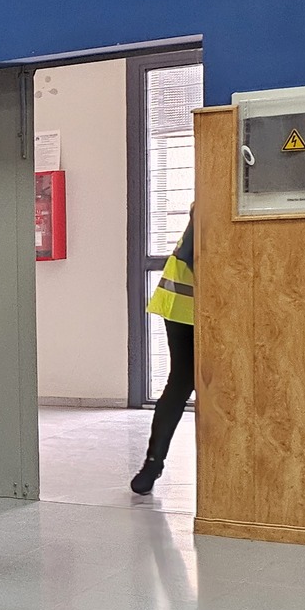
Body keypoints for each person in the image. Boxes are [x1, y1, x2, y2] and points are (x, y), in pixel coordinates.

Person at [134, 211, 195, 494]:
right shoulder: (214, 204)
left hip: (179, 304)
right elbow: (193, 255)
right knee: (182, 382)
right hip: (186, 308)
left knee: (179, 384)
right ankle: (153, 462)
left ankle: (153, 464)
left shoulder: (205, 202)